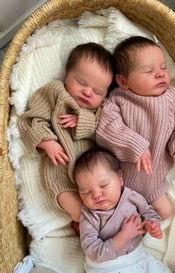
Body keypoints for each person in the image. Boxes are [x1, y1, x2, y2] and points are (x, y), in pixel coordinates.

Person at [96, 36, 175, 220]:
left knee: (166, 212)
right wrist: (136, 145)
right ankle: (119, 227)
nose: (160, 74)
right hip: (119, 180)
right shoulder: (119, 100)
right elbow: (107, 128)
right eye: (149, 71)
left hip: (154, 182)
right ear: (123, 82)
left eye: (163, 67)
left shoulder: (173, 98)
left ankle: (139, 226)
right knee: (108, 214)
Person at [18, 42, 114, 226]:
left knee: (110, 209)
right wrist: (48, 142)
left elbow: (105, 131)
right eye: (82, 83)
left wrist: (82, 121)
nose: (88, 92)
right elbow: (31, 120)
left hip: (96, 177)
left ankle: (104, 231)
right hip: (60, 171)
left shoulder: (102, 109)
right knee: (80, 214)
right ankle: (83, 226)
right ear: (66, 75)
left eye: (97, 91)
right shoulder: (55, 92)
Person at [73, 147, 174, 273]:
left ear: (120, 179)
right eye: (86, 192)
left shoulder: (132, 198)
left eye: (104, 185)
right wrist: (124, 235)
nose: (97, 195)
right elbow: (94, 252)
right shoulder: (90, 216)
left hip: (137, 257)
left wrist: (153, 225)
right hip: (108, 269)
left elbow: (149, 212)